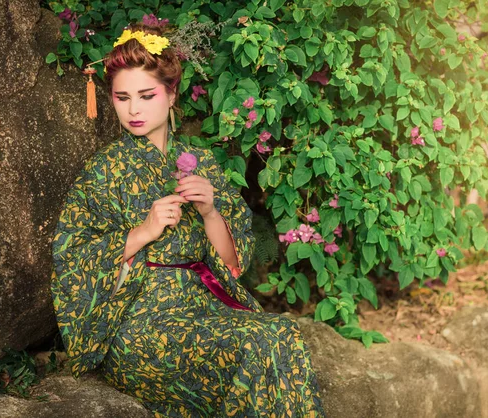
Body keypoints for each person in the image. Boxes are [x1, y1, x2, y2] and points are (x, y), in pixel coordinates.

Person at [50, 22, 325, 417]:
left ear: (172, 93)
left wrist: (211, 211)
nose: (133, 110)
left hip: (203, 305)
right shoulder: (102, 170)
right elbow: (70, 260)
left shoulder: (203, 163)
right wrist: (143, 232)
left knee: (280, 332)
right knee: (256, 343)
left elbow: (232, 264)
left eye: (146, 95)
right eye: (122, 97)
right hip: (140, 323)